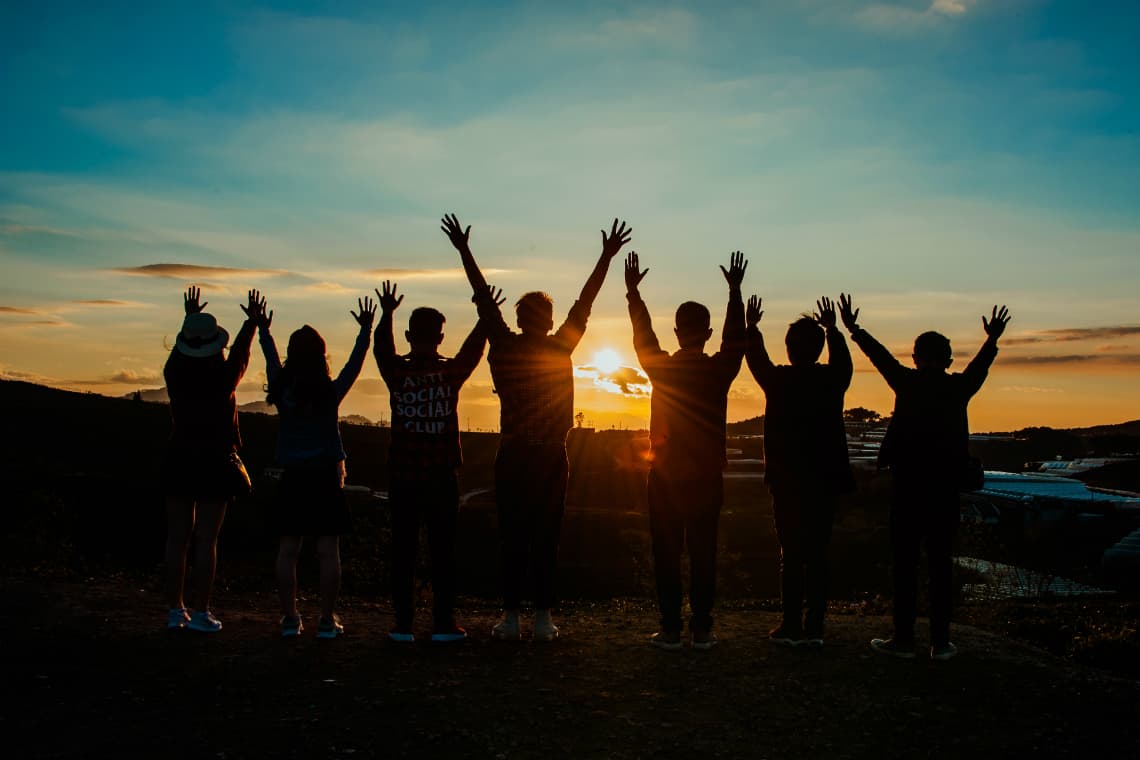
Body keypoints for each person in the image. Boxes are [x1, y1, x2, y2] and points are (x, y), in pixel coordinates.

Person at [441, 213, 632, 641]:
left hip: (514, 453)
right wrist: (605, 256)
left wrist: (464, 251)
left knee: (512, 536)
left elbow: (482, 298)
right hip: (549, 454)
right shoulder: (561, 345)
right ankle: (543, 617)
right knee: (547, 535)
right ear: (548, 319)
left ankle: (510, 616)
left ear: (520, 316)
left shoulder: (505, 345)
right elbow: (586, 301)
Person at [839, 294, 1011, 660]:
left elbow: (880, 357)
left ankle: (902, 639)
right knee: (940, 564)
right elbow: (980, 367)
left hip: (908, 487)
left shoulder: (907, 383)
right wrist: (991, 340)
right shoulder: (958, 388)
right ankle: (941, 641)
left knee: (905, 564)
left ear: (915, 358)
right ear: (948, 360)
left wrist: (855, 329)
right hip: (945, 489)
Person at [625, 250, 747, 650]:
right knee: (703, 551)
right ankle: (703, 628)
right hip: (707, 475)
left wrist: (633, 296)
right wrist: (735, 293)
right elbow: (736, 342)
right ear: (706, 332)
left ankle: (672, 628)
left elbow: (643, 338)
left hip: (664, 474)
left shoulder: (661, 368)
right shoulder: (718, 370)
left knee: (667, 552)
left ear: (677, 332)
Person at [374, 280, 497, 644]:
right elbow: (474, 350)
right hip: (442, 476)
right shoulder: (449, 373)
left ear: (409, 335)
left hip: (403, 476)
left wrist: (385, 315)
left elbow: (382, 349)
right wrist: (484, 317)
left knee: (403, 550)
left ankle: (402, 624)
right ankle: (443, 623)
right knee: (443, 551)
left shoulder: (397, 374)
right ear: (441, 337)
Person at [258, 295, 375, 639]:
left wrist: (263, 330)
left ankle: (290, 619)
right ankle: (326, 619)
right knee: (328, 552)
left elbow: (270, 359)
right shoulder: (329, 392)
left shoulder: (282, 390)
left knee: (288, 550)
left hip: (293, 477)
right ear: (322, 356)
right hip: (326, 477)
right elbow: (355, 364)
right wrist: (365, 331)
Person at [744, 296, 853, 648]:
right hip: (824, 481)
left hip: (787, 482)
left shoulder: (778, 381)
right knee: (819, 553)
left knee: (790, 554)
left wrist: (752, 328)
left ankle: (790, 625)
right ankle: (815, 627)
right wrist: (834, 330)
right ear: (819, 349)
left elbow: (756, 360)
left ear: (789, 349)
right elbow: (845, 364)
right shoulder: (832, 380)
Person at [162, 287, 264, 633]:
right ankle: (201, 610)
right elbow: (241, 355)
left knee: (177, 539)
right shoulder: (223, 378)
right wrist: (252, 322)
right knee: (207, 539)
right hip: (215, 460)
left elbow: (184, 351)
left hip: (180, 455)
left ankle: (174, 609)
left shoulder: (174, 373)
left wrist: (189, 318)